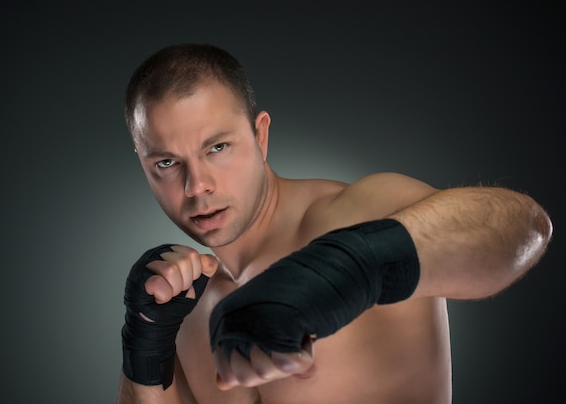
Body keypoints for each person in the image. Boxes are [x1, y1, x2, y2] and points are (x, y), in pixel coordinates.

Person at [116, 43, 553, 404]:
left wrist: (349, 270)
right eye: (168, 162)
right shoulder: (186, 307)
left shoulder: (355, 214)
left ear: (260, 135)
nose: (197, 186)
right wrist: (145, 349)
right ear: (145, 167)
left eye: (218, 148)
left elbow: (523, 226)